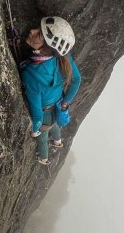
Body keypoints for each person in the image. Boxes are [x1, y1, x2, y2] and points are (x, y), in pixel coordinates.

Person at [18, 16, 81, 165]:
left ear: (46, 48)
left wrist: (35, 129)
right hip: (57, 103)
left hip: (45, 112)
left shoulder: (30, 75)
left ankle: (44, 158)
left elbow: (36, 112)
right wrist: (65, 103)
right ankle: (58, 141)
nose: (32, 31)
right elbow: (76, 80)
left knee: (42, 135)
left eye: (39, 34)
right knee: (54, 125)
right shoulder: (62, 56)